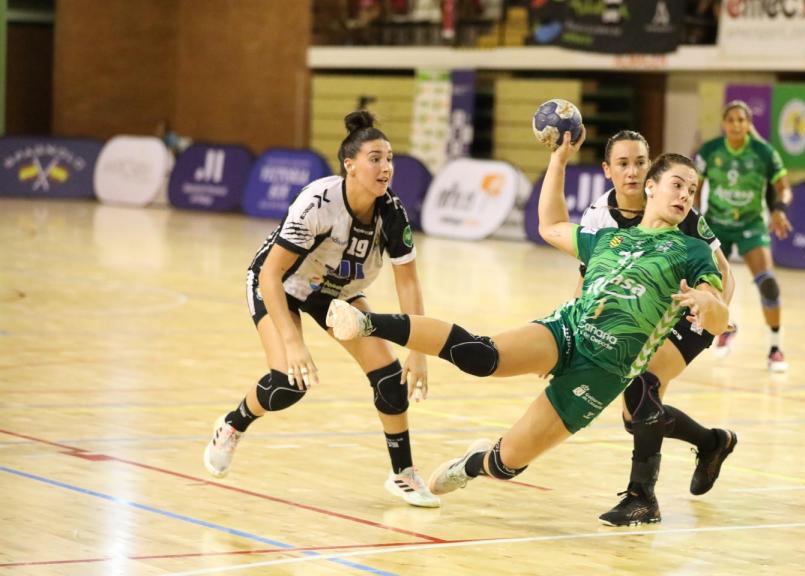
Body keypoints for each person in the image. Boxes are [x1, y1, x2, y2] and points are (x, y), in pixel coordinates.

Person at [327, 128, 731, 514]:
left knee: (508, 462)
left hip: (605, 368)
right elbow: (551, 227)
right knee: (481, 356)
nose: (685, 194)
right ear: (650, 186)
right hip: (570, 329)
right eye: (677, 184)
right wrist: (558, 160)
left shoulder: (692, 249)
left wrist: (708, 305)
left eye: (692, 189)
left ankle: (472, 464)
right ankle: (367, 323)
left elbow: (717, 310)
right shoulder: (607, 232)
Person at [202, 110, 441, 507]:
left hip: (337, 291)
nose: (386, 167)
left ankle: (402, 474)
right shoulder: (318, 203)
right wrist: (293, 342)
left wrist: (418, 350)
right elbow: (270, 275)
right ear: (350, 165)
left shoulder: (393, 213)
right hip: (281, 283)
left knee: (390, 378)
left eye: (389, 158)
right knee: (288, 382)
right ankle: (232, 424)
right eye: (375, 158)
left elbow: (409, 283)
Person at [579, 130, 738, 526]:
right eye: (623, 164)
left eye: (640, 163)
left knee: (642, 382)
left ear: (651, 175)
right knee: (635, 416)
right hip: (643, 312)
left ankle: (642, 498)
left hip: (690, 311)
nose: (632, 172)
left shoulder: (679, 208)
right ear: (608, 170)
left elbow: (723, 271)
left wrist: (713, 312)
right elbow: (589, 280)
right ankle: (712, 442)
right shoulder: (598, 216)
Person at [695, 100, 793, 371]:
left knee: (768, 283)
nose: (736, 125)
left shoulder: (764, 152)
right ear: (723, 124)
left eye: (742, 120)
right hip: (716, 225)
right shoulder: (710, 150)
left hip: (751, 224)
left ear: (749, 125)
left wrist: (779, 210)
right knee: (710, 283)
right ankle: (726, 326)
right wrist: (693, 219)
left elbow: (784, 188)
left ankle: (775, 348)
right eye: (731, 120)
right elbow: (694, 187)